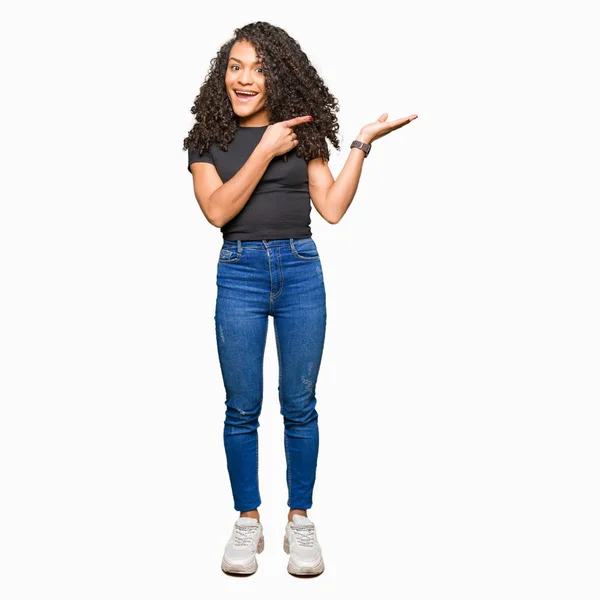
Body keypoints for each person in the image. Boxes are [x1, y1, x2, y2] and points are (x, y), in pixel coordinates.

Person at [183, 21, 417, 577]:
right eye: (235, 66)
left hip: (300, 270)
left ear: (277, 75)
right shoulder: (204, 139)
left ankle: (300, 520)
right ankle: (247, 520)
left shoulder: (303, 134)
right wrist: (264, 149)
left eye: (259, 68)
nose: (244, 78)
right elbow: (218, 211)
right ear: (223, 73)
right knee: (242, 408)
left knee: (300, 404)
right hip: (239, 271)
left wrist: (359, 143)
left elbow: (331, 208)